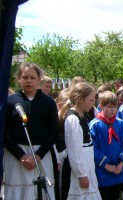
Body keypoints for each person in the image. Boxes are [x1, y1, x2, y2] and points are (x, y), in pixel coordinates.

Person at [3, 62, 59, 199]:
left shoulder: (48, 102)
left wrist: (38, 156)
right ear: (19, 79)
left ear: (39, 79)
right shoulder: (10, 102)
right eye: (25, 77)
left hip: (41, 155)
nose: (28, 81)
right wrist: (21, 156)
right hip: (16, 156)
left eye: (32, 78)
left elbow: (53, 132)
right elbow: (5, 132)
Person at [59, 82, 101, 200]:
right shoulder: (73, 119)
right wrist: (82, 174)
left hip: (86, 164)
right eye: (91, 100)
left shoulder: (80, 115)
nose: (93, 104)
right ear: (80, 99)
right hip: (79, 168)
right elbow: (74, 150)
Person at [89, 91, 123, 200]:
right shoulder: (95, 125)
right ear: (101, 106)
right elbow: (93, 148)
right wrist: (107, 166)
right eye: (109, 106)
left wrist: (121, 163)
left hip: (118, 170)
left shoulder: (120, 124)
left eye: (115, 106)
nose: (113, 109)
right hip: (103, 172)